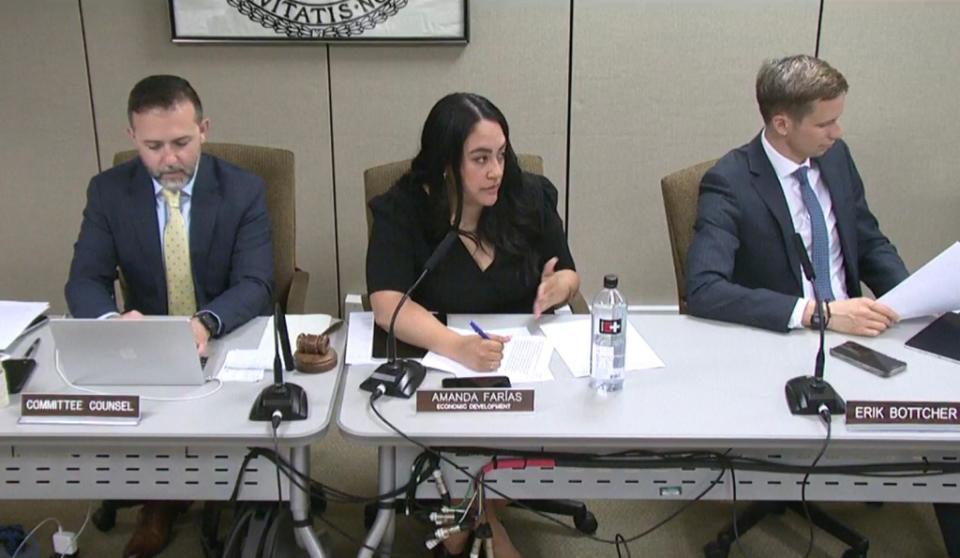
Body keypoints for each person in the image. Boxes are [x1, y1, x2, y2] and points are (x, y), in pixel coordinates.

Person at [686, 54, 959, 556]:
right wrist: (821, 313)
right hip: (788, 345)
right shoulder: (730, 181)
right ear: (782, 123)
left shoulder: (836, 158)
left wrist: (912, 301)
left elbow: (868, 240)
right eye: (826, 121)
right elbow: (703, 288)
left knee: (948, 427)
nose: (838, 131)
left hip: (861, 331)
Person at [64, 75, 274, 558]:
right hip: (144, 342)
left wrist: (203, 323)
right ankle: (159, 499)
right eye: (154, 146)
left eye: (181, 142)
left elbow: (256, 283)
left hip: (223, 336)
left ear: (204, 129)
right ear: (132, 137)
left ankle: (248, 498)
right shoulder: (108, 193)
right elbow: (85, 280)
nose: (170, 158)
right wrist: (112, 324)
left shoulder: (243, 190)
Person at [366, 92, 580, 557]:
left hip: (523, 366)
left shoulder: (528, 197)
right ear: (446, 164)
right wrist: (455, 347)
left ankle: (464, 524)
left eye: (501, 155)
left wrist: (557, 287)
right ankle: (484, 524)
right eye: (480, 159)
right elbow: (386, 303)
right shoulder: (404, 208)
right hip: (446, 372)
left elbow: (568, 271)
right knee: (459, 440)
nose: (496, 171)